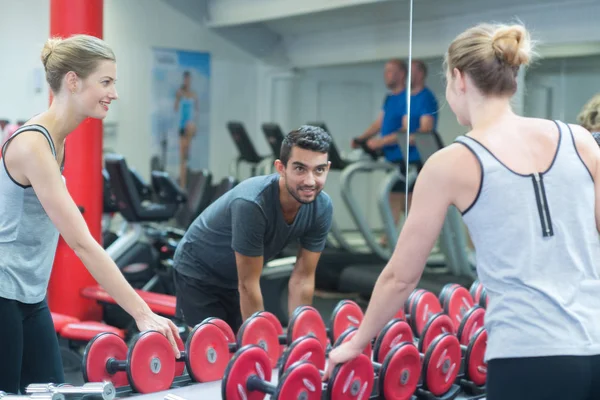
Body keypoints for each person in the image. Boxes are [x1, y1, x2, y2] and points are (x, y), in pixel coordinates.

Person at [327, 22, 600, 400]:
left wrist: (356, 343)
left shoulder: (450, 163)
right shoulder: (582, 140)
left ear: (457, 79)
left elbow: (400, 278)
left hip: (528, 357)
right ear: (513, 76)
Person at [0, 34, 181, 394]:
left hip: (30, 296)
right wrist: (142, 313)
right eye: (106, 81)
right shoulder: (33, 144)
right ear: (73, 80)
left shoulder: (56, 140)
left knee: (49, 390)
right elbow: (82, 243)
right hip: (3, 293)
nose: (113, 92)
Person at [172, 126, 334, 333]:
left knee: (241, 344)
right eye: (300, 169)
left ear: (327, 168)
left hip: (236, 277)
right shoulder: (252, 203)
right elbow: (248, 284)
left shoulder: (322, 207)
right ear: (281, 168)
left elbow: (303, 277)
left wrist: (300, 337)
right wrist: (259, 341)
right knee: (215, 352)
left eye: (318, 170)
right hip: (198, 271)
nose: (310, 181)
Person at [174, 70, 199, 189]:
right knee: (182, 159)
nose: (187, 81)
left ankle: (187, 182)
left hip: (190, 126)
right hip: (183, 126)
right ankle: (182, 184)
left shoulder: (194, 95)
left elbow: (196, 111)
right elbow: (176, 109)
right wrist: (178, 99)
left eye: (189, 79)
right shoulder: (180, 93)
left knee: (187, 157)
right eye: (186, 79)